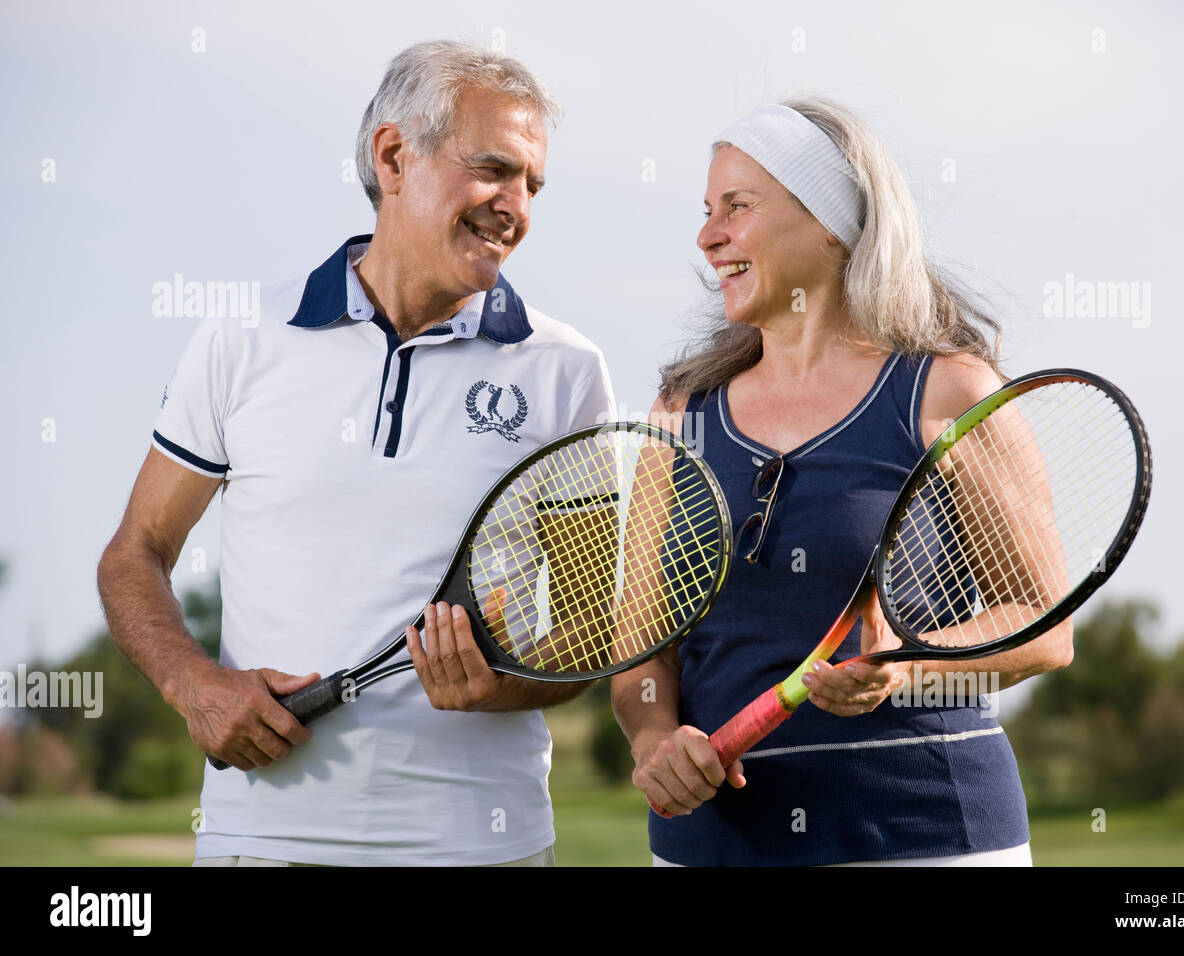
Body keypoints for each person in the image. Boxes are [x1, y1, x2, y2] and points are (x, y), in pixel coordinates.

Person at [96, 41, 615, 866]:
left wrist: (506, 684)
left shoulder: (568, 371)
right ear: (394, 155)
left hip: (484, 848)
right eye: (494, 170)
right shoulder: (242, 342)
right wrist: (194, 685)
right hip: (260, 842)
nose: (515, 206)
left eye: (532, 185)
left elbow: (593, 630)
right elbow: (135, 553)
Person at [611, 98, 1074, 866]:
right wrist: (657, 740)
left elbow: (1044, 626)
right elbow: (639, 646)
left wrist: (906, 668)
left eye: (738, 206)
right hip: (712, 845)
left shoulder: (947, 391)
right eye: (705, 211)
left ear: (829, 221)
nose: (708, 235)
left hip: (925, 836)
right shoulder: (679, 414)